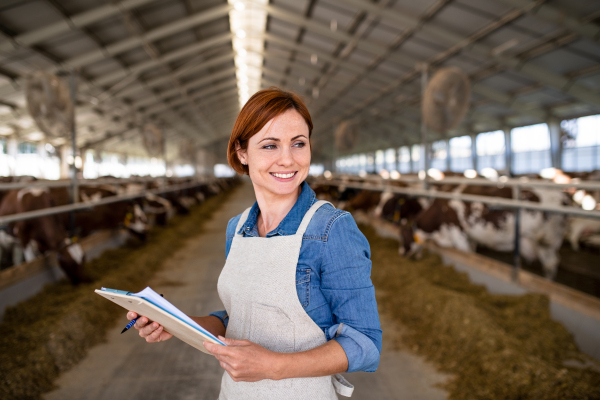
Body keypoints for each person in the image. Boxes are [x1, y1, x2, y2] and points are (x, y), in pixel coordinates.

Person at [127, 87, 382, 399]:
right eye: (270, 145)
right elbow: (240, 317)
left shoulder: (331, 229)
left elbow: (365, 344)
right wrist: (178, 323)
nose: (287, 160)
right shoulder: (238, 228)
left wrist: (274, 365)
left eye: (298, 143)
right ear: (242, 153)